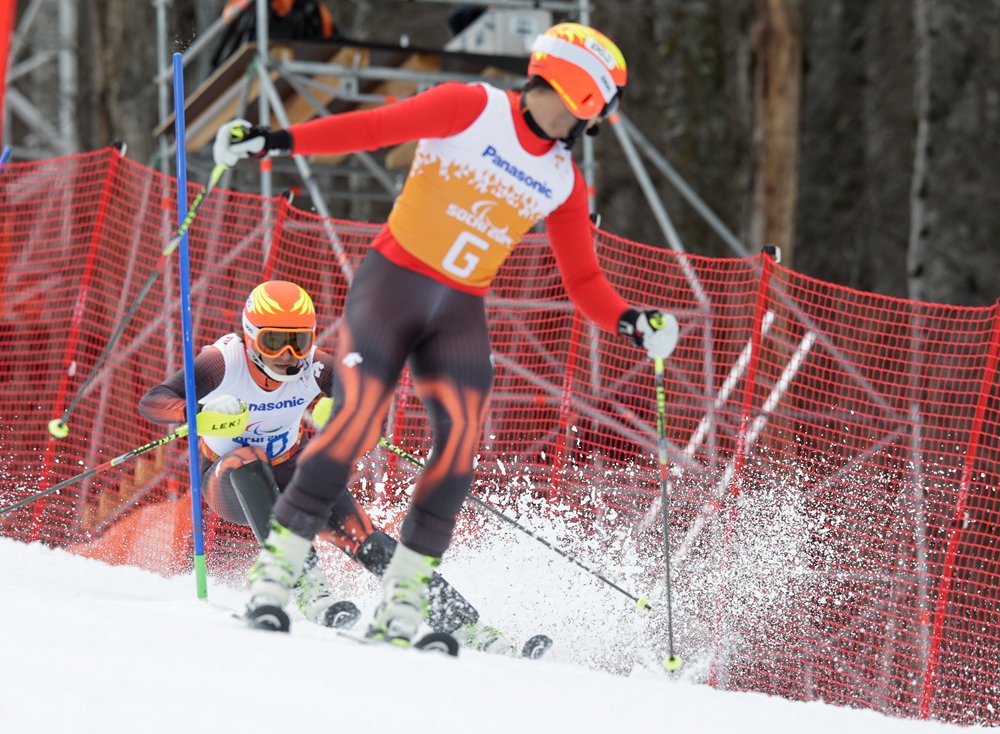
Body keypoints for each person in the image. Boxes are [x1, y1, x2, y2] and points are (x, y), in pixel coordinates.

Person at [212, 23, 680, 644]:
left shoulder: (565, 179)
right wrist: (273, 140)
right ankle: (278, 575)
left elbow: (585, 280)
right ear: (578, 93)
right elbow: (374, 128)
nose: (587, 129)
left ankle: (406, 596)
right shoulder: (473, 107)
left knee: (459, 439)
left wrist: (631, 321)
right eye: (593, 113)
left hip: (458, 306)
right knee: (355, 419)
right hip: (394, 280)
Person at [138, 280, 519, 653]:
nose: (288, 353)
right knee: (246, 459)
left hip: (291, 471)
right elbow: (154, 400)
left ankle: (466, 625)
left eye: (299, 341)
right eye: (274, 341)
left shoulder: (314, 367)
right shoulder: (224, 362)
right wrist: (199, 413)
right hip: (229, 482)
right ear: (251, 338)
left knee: (366, 538)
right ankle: (306, 585)